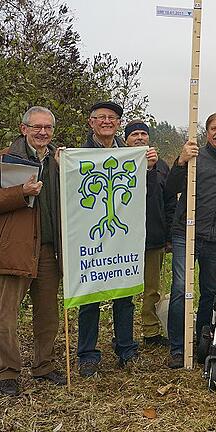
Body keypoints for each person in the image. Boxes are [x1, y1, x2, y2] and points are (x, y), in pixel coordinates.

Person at [165, 112, 216, 369]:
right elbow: (171, 188)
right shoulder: (194, 157)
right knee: (181, 289)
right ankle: (178, 348)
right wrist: (180, 162)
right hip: (187, 234)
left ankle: (202, 342)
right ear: (206, 131)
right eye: (214, 128)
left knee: (210, 292)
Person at [77, 102, 147, 377]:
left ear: (119, 123)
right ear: (91, 122)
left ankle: (126, 348)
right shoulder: (78, 155)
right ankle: (87, 354)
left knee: (124, 293)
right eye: (101, 117)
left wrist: (149, 166)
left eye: (112, 118)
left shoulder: (130, 154)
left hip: (121, 238)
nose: (107, 122)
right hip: (90, 237)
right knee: (90, 296)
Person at [0, 106, 65, 396]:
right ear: (23, 128)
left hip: (49, 249)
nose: (43, 133)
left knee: (47, 313)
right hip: (16, 248)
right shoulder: (6, 159)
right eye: (37, 127)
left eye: (48, 128)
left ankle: (44, 366)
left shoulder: (57, 160)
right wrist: (20, 193)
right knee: (6, 314)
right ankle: (8, 372)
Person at [124, 120, 176, 347]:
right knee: (123, 291)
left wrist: (169, 236)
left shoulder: (161, 166)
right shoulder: (117, 164)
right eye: (134, 134)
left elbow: (168, 202)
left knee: (152, 288)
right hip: (122, 239)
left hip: (153, 237)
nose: (139, 137)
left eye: (143, 134)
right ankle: (123, 334)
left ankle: (151, 331)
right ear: (126, 139)